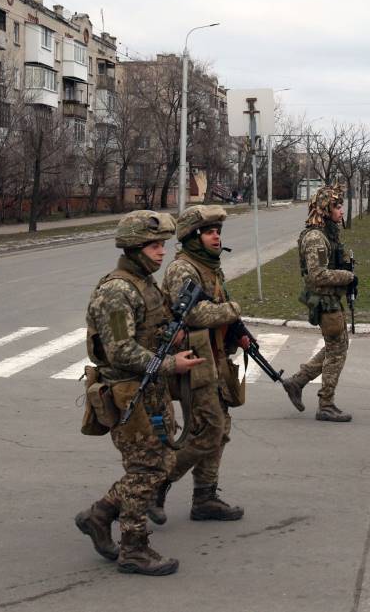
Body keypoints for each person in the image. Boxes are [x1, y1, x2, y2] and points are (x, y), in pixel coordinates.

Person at [74, 210, 204, 576]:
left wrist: (171, 337)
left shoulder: (144, 283)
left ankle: (99, 515)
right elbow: (120, 350)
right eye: (153, 245)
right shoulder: (117, 291)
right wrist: (169, 364)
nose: (161, 252)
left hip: (149, 390)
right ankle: (134, 548)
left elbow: (147, 334)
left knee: (159, 464)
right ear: (133, 248)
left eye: (162, 244)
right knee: (145, 469)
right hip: (128, 393)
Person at [146, 205, 250, 526]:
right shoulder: (182, 269)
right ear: (193, 237)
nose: (216, 236)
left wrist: (239, 331)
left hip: (214, 357)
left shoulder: (209, 268)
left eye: (218, 231)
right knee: (208, 431)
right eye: (209, 232)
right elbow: (192, 314)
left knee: (220, 429)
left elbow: (215, 305)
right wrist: (232, 310)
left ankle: (205, 496)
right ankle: (157, 484)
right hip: (191, 361)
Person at [281, 186, 356, 422]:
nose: (341, 211)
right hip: (325, 302)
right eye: (337, 206)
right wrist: (348, 277)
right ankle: (326, 403)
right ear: (325, 209)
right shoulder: (315, 237)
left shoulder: (327, 234)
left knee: (336, 347)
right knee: (337, 352)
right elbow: (317, 275)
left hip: (331, 300)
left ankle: (297, 381)